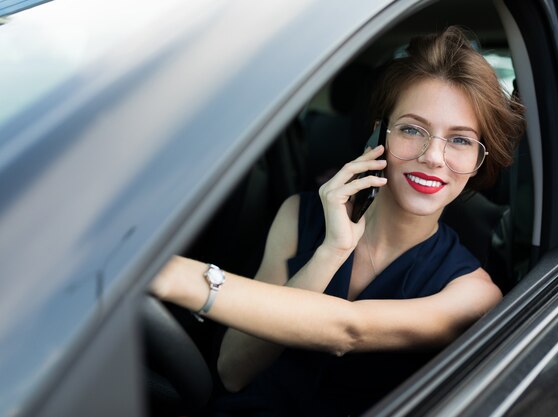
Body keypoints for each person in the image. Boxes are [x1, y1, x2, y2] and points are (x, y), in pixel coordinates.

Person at [151, 26, 525, 417]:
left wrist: (172, 275)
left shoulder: (474, 293)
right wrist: (331, 251)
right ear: (378, 133)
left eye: (460, 140)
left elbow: (348, 330)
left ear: (479, 161)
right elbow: (233, 372)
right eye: (412, 129)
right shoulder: (298, 215)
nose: (433, 156)